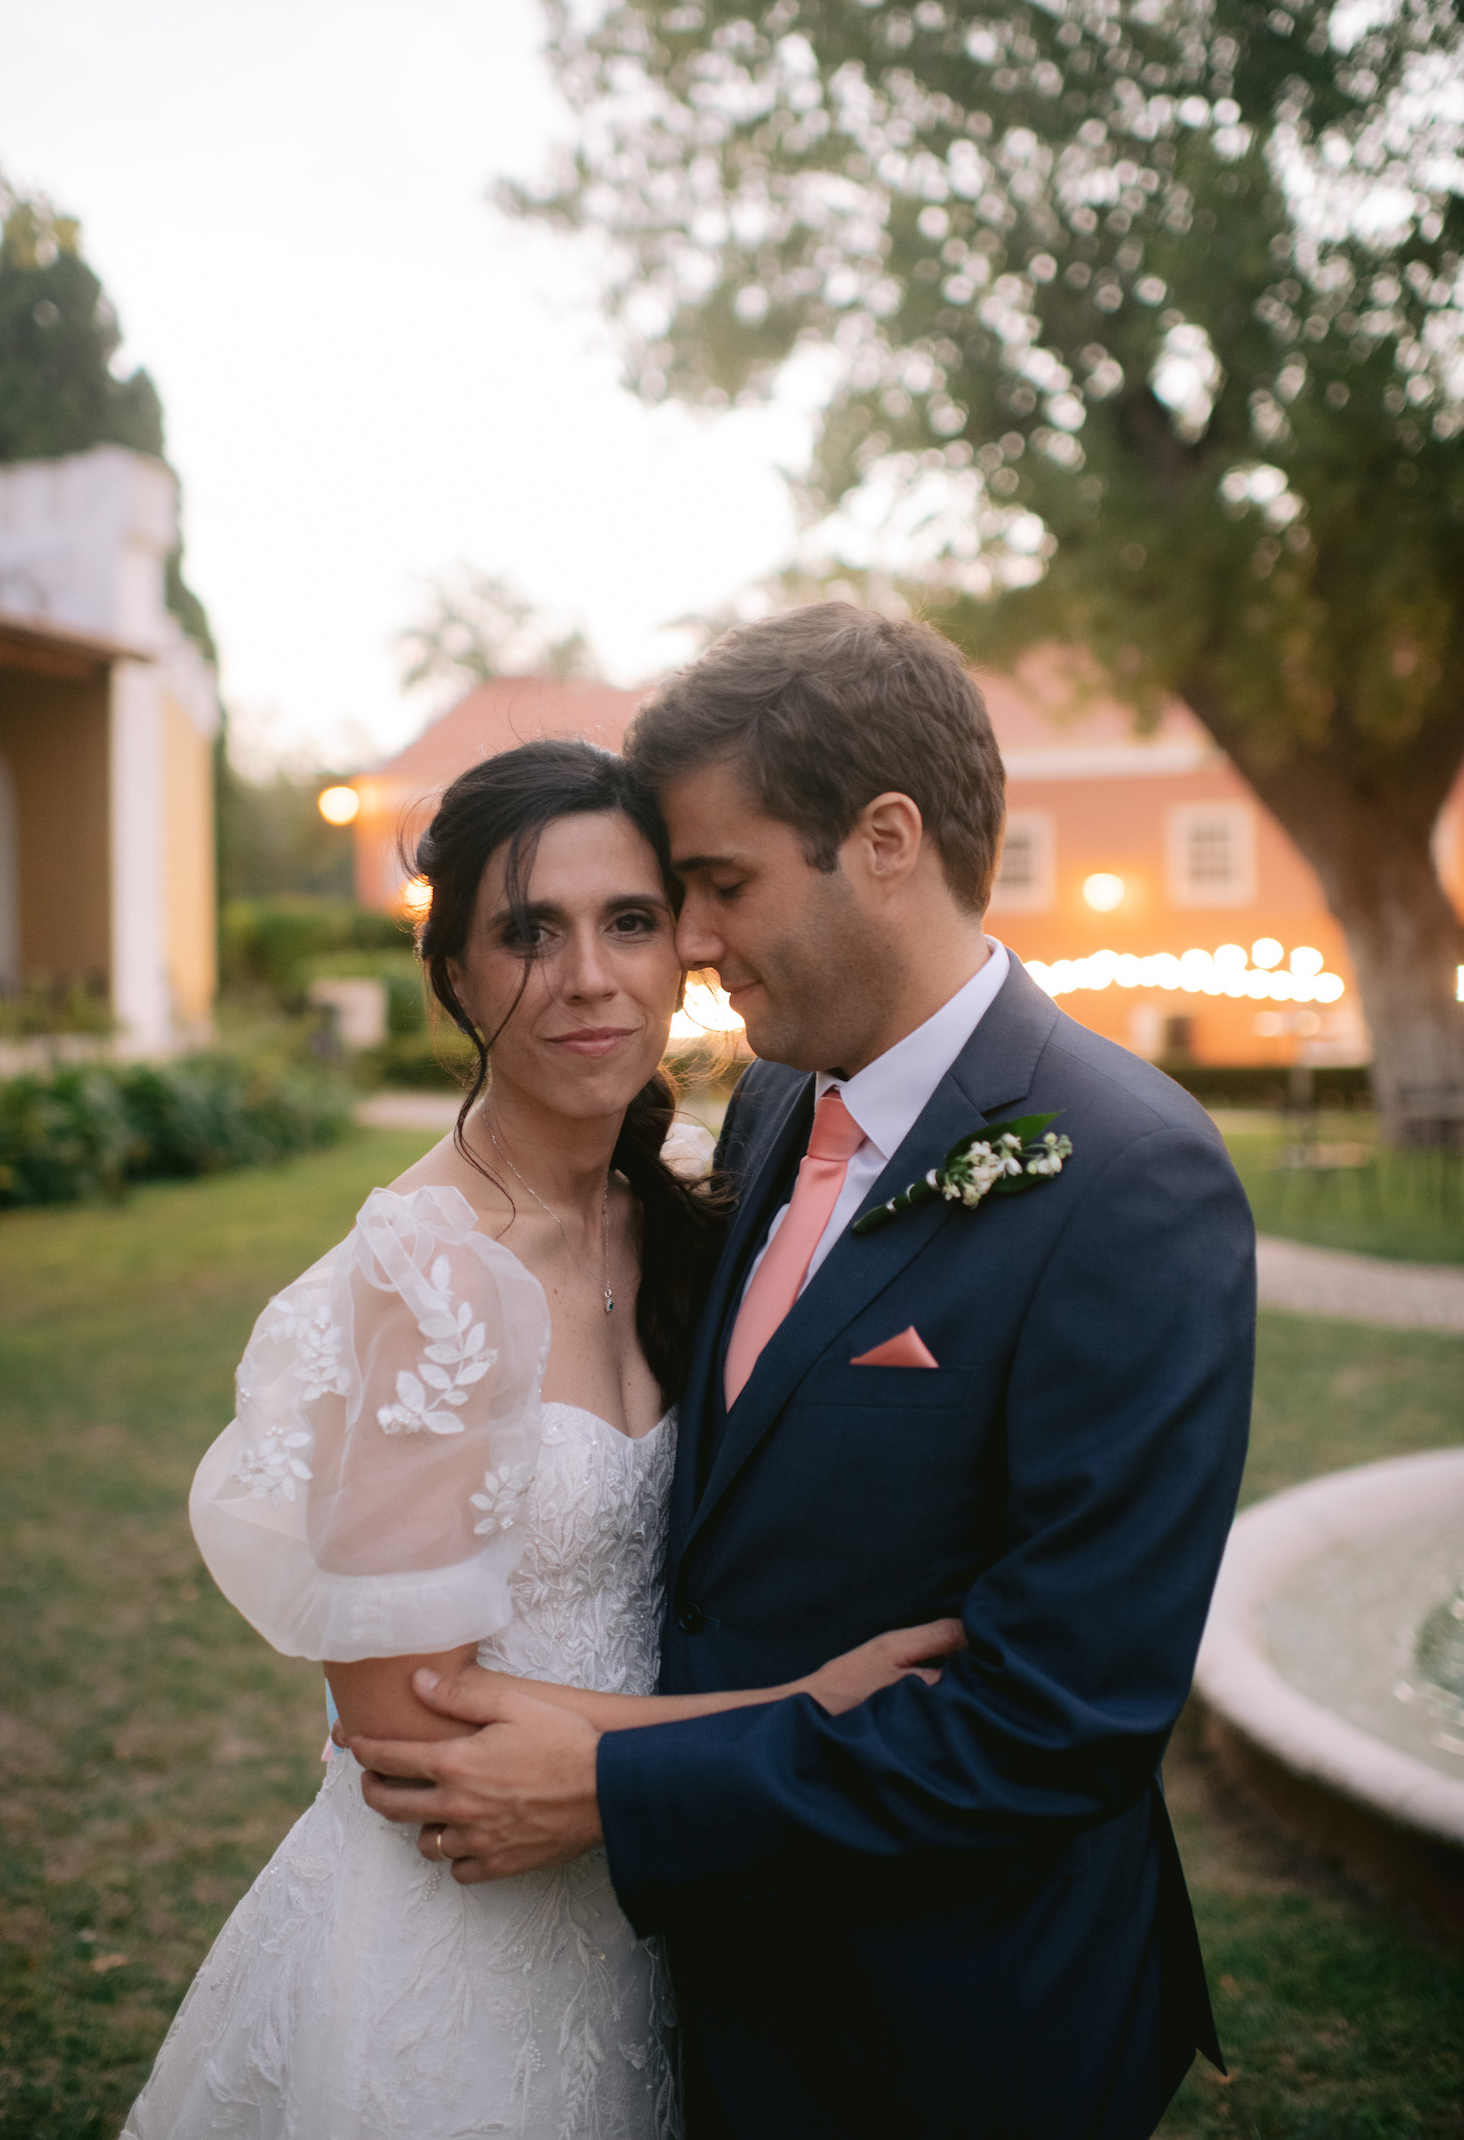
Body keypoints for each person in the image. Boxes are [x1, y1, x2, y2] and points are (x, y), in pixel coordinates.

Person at [354, 607, 1256, 2140]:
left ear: (886, 839)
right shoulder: (777, 1106)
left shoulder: (1129, 1179)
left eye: (719, 883)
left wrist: (623, 1789)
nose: (688, 943)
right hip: (705, 2000)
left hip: (952, 2034)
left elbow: (1057, 1726)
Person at [122, 737, 962, 2140]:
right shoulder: (422, 1275)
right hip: (460, 1966)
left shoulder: (700, 1222)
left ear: (687, 945)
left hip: (661, 1925)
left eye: (629, 920)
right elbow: (406, 1745)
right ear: (452, 972)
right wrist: (803, 1710)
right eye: (529, 930)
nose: (589, 975)